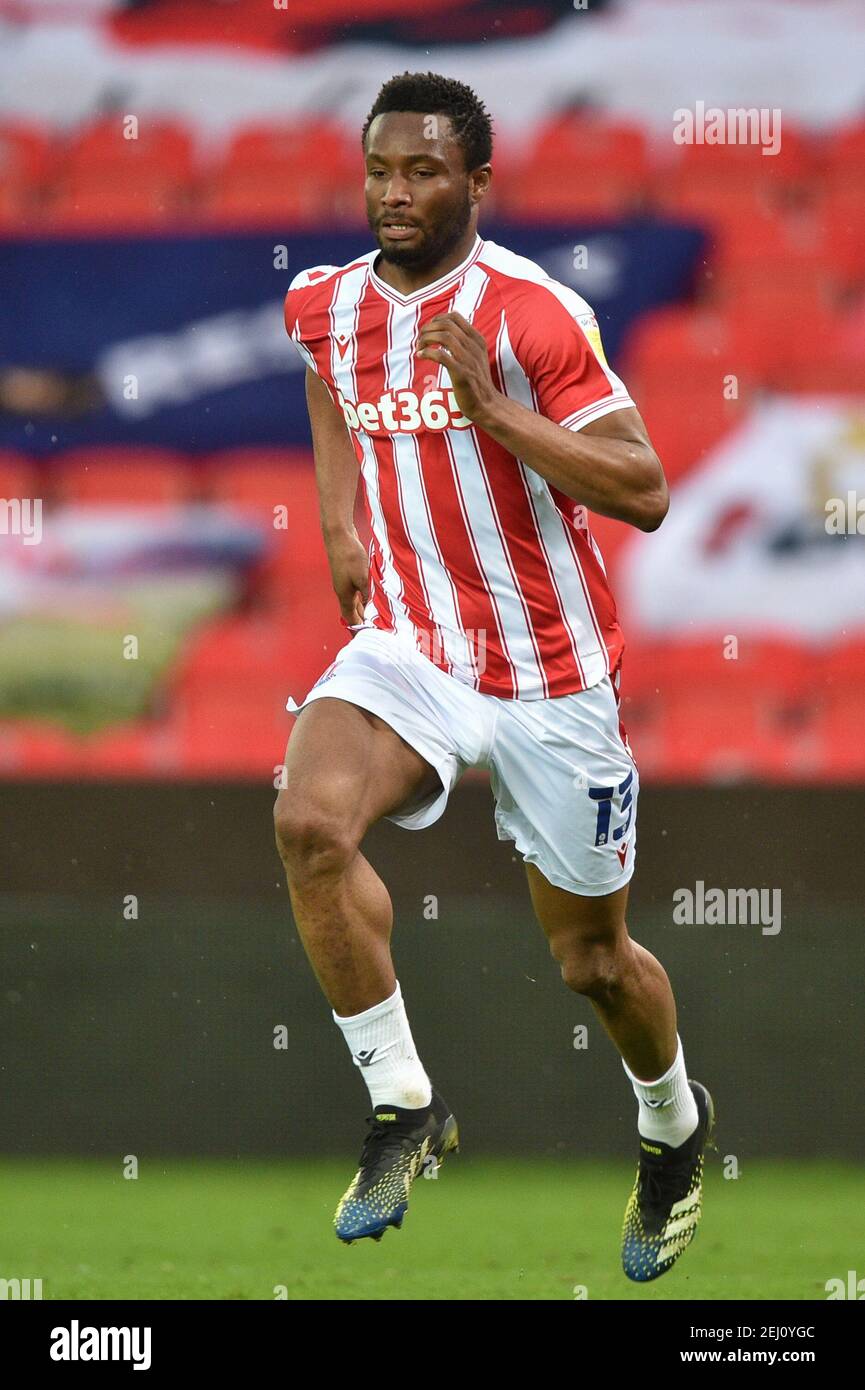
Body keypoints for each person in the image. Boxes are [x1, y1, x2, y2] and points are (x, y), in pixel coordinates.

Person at [275, 70, 713, 1283]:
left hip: (546, 673)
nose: (395, 193)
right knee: (309, 820)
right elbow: (325, 374)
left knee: (594, 966)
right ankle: (404, 1105)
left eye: (422, 172)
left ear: (477, 182)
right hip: (411, 646)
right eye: (379, 170)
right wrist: (339, 522)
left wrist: (499, 415)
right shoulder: (326, 302)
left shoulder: (532, 313)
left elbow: (645, 488)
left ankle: (672, 1126)